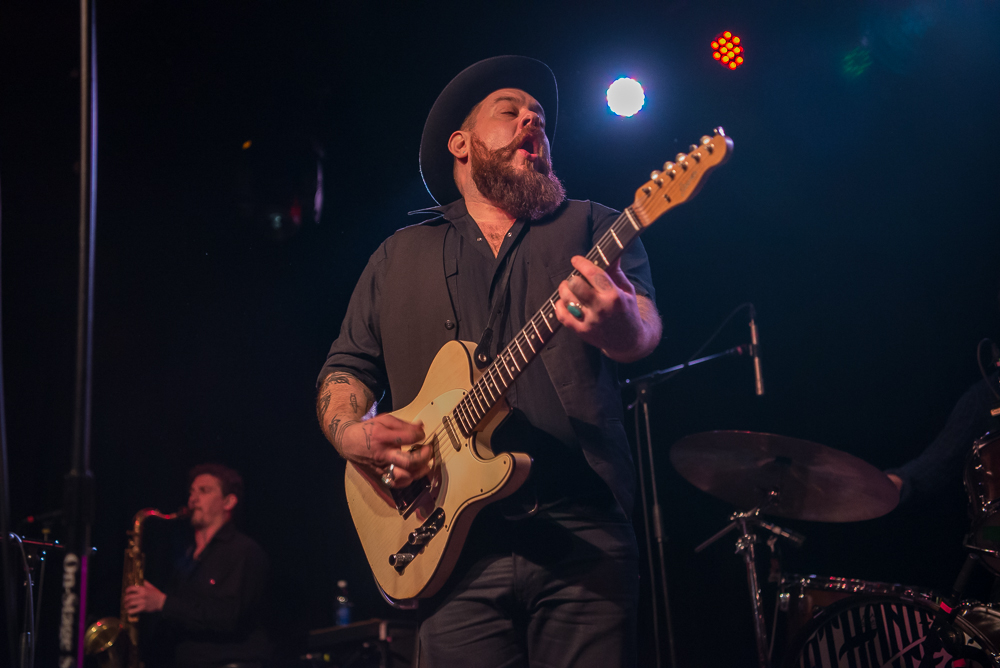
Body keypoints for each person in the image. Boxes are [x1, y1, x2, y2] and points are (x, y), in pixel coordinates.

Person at [317, 56, 662, 667]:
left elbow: (643, 332)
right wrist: (353, 433)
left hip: (583, 536)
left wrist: (622, 325)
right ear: (462, 144)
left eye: (542, 117)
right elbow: (346, 368)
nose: (533, 118)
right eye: (511, 110)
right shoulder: (398, 257)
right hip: (445, 549)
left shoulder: (594, 227)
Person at [123, 464, 271, 668]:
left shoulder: (243, 551)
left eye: (204, 490)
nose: (193, 498)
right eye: (192, 491)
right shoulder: (187, 556)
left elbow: (229, 617)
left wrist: (163, 603)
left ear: (228, 502)